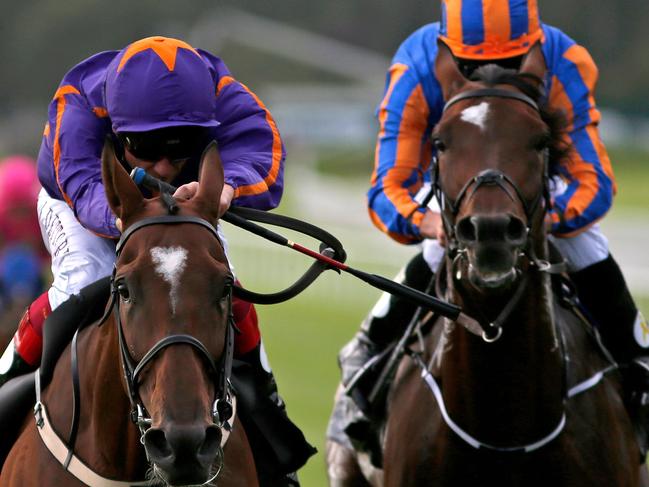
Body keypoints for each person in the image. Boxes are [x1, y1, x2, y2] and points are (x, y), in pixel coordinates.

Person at [329, 0, 648, 453]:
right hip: (450, 187)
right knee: (443, 247)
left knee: (585, 240)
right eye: (472, 65)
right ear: (447, 50)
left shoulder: (565, 60)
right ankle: (368, 357)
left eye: (512, 62)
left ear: (535, 49)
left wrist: (542, 221)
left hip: (531, 187)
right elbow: (390, 185)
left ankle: (638, 360)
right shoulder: (416, 64)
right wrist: (427, 220)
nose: (492, 74)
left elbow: (592, 179)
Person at [0, 36, 305, 485]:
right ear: (116, 125)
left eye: (180, 145)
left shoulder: (221, 92)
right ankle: (9, 377)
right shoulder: (79, 102)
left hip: (182, 205)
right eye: (144, 146)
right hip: (79, 199)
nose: (163, 166)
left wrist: (226, 187)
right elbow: (85, 190)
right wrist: (134, 216)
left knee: (220, 282)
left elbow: (268, 155)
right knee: (86, 276)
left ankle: (265, 407)